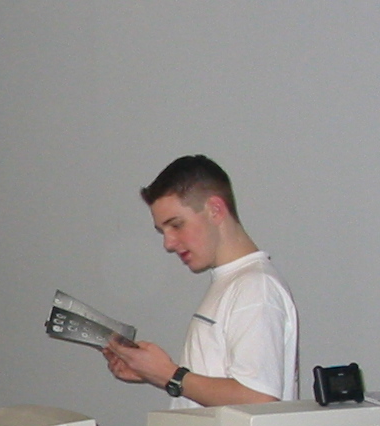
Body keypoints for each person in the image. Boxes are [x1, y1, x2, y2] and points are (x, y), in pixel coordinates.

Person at [104, 154, 298, 407]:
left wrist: (168, 375)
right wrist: (152, 372)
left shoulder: (255, 287)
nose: (168, 243)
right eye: (163, 231)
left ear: (215, 209)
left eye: (176, 225)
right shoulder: (233, 283)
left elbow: (257, 399)